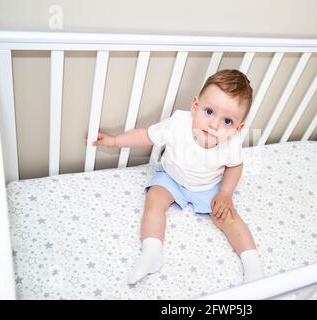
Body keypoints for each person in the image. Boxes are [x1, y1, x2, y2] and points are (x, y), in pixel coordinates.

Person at [87, 69, 265, 285]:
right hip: (171, 178)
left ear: (238, 128)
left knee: (229, 217)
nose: (214, 125)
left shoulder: (232, 142)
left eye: (227, 121)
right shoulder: (178, 123)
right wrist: (114, 142)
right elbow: (146, 135)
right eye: (209, 111)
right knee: (154, 200)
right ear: (195, 106)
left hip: (208, 186)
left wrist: (225, 193)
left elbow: (235, 166)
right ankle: (152, 251)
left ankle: (253, 268)